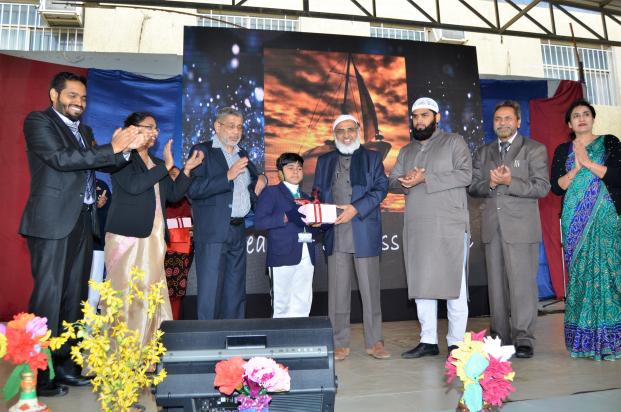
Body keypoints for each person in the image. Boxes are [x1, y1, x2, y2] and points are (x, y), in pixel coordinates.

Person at [19, 71, 147, 396]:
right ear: (54, 95)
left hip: (83, 222)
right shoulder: (39, 122)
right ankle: (39, 376)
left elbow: (102, 163)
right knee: (49, 298)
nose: (79, 102)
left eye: (84, 98)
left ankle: (66, 366)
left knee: (75, 299)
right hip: (52, 223)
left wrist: (126, 150)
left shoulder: (85, 131)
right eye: (72, 95)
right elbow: (62, 160)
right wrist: (112, 146)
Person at [104, 112, 204, 345]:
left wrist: (186, 170)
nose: (154, 132)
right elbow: (135, 185)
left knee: (150, 294)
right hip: (127, 238)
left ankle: (147, 350)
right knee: (125, 294)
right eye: (149, 127)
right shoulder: (120, 157)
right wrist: (166, 166)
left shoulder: (158, 163)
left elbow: (174, 195)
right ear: (133, 129)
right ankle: (120, 352)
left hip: (155, 238)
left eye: (156, 128)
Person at [389, 97, 471, 359]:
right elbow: (392, 181)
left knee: (455, 286)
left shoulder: (454, 141)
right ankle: (428, 340)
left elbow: (466, 174)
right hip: (418, 226)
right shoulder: (406, 151)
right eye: (415, 116)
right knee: (422, 283)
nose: (419, 121)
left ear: (437, 118)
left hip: (449, 225)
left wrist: (426, 178)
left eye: (425, 115)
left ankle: (456, 343)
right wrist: (405, 181)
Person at [469, 100, 550, 359]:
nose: (502, 123)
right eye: (497, 119)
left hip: (522, 228)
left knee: (522, 285)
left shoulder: (534, 149)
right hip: (492, 227)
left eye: (507, 118)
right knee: (496, 287)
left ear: (518, 121)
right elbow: (473, 186)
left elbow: (542, 187)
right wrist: (491, 184)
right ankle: (499, 337)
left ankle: (524, 338)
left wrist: (509, 181)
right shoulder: (483, 152)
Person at [313, 114, 390, 361]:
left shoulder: (372, 158)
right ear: (334, 135)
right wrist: (317, 213)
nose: (346, 135)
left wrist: (355, 208)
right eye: (341, 131)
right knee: (337, 292)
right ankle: (339, 343)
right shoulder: (324, 161)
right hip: (335, 231)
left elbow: (381, 188)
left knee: (370, 290)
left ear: (358, 131)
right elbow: (317, 193)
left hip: (363, 228)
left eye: (350, 130)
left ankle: (375, 342)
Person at [550, 99, 621, 361]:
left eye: (586, 114)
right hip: (574, 221)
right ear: (569, 124)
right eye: (576, 115)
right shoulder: (562, 150)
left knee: (609, 274)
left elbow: (617, 176)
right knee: (580, 276)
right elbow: (556, 187)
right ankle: (583, 342)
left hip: (606, 217)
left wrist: (589, 163)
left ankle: (612, 341)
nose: (581, 118)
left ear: (592, 118)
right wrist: (576, 168)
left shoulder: (610, 142)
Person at [188, 107, 268, 320]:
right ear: (217, 126)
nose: (236, 131)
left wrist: (262, 178)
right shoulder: (203, 150)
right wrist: (227, 176)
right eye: (231, 126)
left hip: (238, 230)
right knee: (210, 293)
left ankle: (233, 335)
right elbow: (192, 189)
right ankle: (207, 338)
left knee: (235, 292)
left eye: (239, 127)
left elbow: (253, 179)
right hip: (213, 231)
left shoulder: (242, 153)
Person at [254, 153, 316, 318]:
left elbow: (311, 226)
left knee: (303, 302)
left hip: (306, 254)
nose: (295, 171)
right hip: (282, 255)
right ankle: (281, 335)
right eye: (290, 168)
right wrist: (285, 217)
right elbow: (259, 222)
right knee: (281, 305)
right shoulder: (271, 192)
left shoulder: (308, 197)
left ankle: (301, 334)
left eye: (299, 168)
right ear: (281, 172)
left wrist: (319, 224)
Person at [164, 166, 194, 320]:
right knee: (161, 289)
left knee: (177, 292)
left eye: (176, 174)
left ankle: (173, 322)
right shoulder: (161, 196)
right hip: (162, 249)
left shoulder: (188, 197)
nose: (173, 177)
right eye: (170, 174)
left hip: (183, 249)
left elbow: (193, 223)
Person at [86, 178, 111, 310]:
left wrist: (98, 207)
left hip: (97, 242)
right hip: (74, 241)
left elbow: (108, 214)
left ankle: (91, 318)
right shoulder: (75, 180)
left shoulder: (101, 185)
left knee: (95, 283)